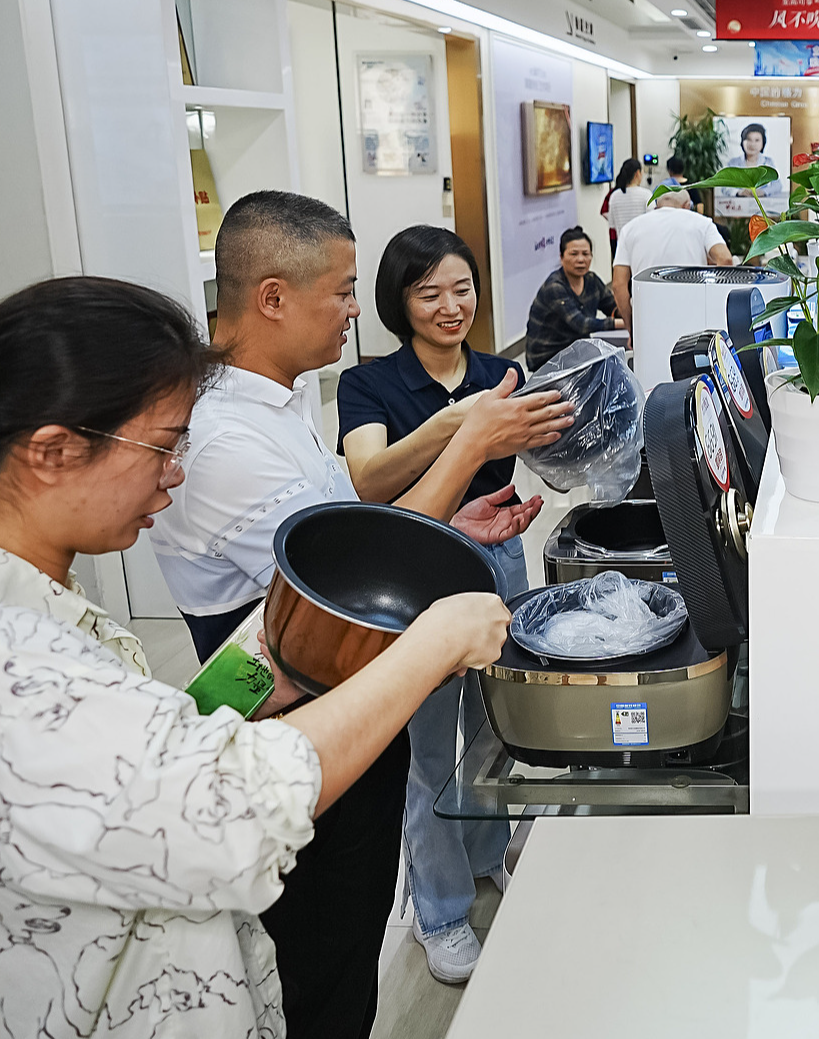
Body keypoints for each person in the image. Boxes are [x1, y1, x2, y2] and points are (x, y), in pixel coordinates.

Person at [0, 277, 510, 1037]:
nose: (177, 471)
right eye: (161, 445)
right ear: (52, 451)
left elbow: (138, 760)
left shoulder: (13, 601)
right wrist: (431, 645)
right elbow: (233, 807)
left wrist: (276, 668)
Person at [150, 191, 569, 1031]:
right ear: (272, 296)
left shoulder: (282, 402)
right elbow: (361, 572)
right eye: (342, 291)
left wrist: (456, 513)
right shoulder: (227, 439)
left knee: (350, 940)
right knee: (320, 966)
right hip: (291, 729)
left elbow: (354, 517)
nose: (353, 310)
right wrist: (470, 446)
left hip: (343, 699)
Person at [333, 221, 572, 989]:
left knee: (499, 729)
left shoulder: (503, 371)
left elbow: (543, 456)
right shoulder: (367, 385)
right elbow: (369, 482)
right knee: (429, 749)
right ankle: (438, 912)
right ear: (397, 302)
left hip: (498, 553)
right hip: (415, 573)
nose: (449, 305)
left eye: (462, 288)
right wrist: (456, 426)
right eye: (429, 292)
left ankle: (483, 858)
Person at [611, 189, 735, 327]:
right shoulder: (702, 223)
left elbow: (618, 284)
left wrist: (631, 328)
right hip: (694, 315)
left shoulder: (630, 228)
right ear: (687, 205)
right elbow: (725, 259)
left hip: (648, 318)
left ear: (657, 205)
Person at [524, 225, 623, 371]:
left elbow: (613, 306)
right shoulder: (555, 286)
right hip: (547, 357)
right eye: (574, 254)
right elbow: (581, 324)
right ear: (561, 257)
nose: (581, 259)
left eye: (586, 254)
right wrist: (624, 322)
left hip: (575, 349)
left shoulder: (592, 280)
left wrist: (628, 314)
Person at [602, 157, 652, 255]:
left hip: (622, 248)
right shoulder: (646, 195)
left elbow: (612, 224)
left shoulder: (614, 196)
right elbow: (652, 221)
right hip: (643, 246)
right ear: (638, 173)